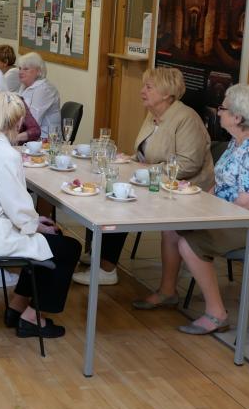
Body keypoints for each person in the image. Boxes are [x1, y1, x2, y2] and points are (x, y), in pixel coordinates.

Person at [137, 84, 249, 336]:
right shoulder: (238, 141)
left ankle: (217, 314)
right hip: (230, 214)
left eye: (223, 108)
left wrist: (205, 212)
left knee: (190, 244)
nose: (218, 112)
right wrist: (201, 200)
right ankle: (167, 292)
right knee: (172, 229)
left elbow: (247, 203)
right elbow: (221, 185)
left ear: (237, 117)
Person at [74, 66, 214, 287]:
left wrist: (148, 170)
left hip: (184, 191)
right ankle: (99, 255)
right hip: (156, 183)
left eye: (149, 87)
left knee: (121, 204)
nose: (142, 91)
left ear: (167, 94)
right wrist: (130, 160)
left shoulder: (186, 118)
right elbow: (146, 154)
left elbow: (189, 164)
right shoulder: (153, 114)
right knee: (111, 193)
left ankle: (106, 269)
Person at [0, 93, 80, 340]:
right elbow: (19, 209)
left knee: (47, 241)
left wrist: (33, 222)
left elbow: (9, 205)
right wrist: (35, 224)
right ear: (18, 121)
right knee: (68, 247)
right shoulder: (7, 155)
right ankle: (32, 318)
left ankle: (17, 306)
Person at [17, 52, 61, 138]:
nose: (21, 72)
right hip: (28, 135)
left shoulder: (44, 89)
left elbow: (32, 121)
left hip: (45, 139)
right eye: (20, 68)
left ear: (38, 71)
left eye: (26, 69)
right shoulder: (24, 86)